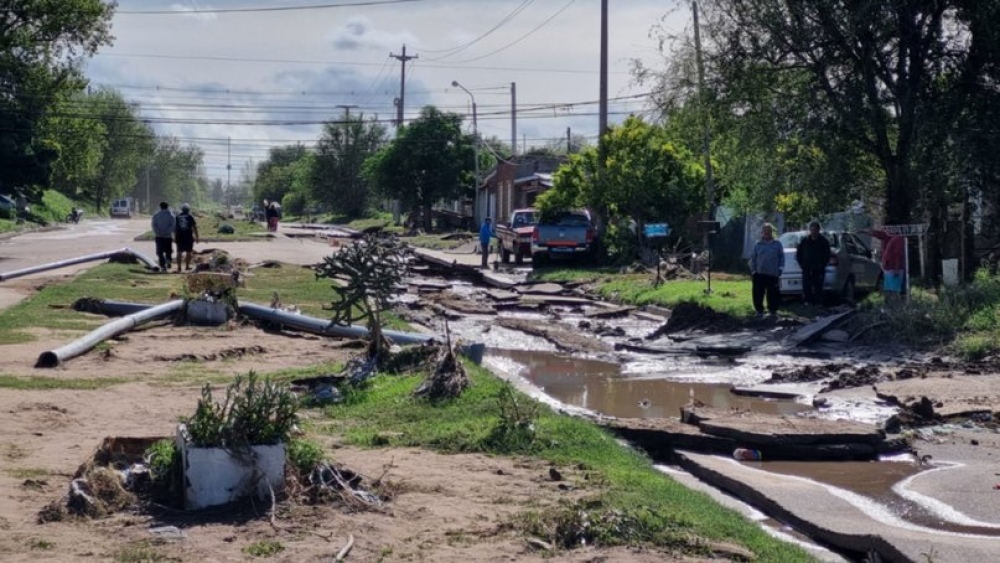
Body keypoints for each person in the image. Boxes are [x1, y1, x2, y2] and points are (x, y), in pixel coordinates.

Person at [749, 223, 784, 318]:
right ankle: (759, 311)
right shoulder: (758, 244)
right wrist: (753, 271)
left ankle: (773, 311)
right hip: (759, 273)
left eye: (769, 231)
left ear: (771, 232)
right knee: (758, 293)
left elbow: (781, 257)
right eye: (765, 231)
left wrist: (780, 268)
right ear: (762, 233)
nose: (767, 233)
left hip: (773, 273)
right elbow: (753, 259)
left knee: (773, 293)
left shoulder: (777, 244)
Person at [863, 226, 906, 301]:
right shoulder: (888, 236)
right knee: (889, 288)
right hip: (889, 267)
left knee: (894, 289)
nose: (885, 230)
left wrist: (896, 268)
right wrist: (864, 231)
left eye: (886, 229)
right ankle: (891, 303)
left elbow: (898, 255)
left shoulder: (898, 239)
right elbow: (876, 233)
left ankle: (896, 304)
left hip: (894, 268)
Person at [795, 221, 832, 307]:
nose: (813, 231)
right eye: (812, 229)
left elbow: (827, 255)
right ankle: (808, 302)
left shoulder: (823, 242)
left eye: (815, 229)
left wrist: (822, 265)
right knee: (806, 286)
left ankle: (818, 303)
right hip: (807, 268)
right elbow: (799, 254)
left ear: (818, 230)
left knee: (818, 286)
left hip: (818, 268)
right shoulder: (805, 241)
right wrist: (802, 265)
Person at [174, 203, 200, 272]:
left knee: (179, 252)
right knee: (188, 252)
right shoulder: (190, 216)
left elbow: (175, 228)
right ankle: (187, 266)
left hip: (179, 236)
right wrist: (197, 237)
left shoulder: (177, 216)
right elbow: (194, 227)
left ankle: (179, 267)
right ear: (188, 210)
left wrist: (174, 236)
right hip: (188, 236)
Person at [151, 201, 176, 271]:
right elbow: (173, 226)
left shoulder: (156, 215)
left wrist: (158, 231)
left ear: (160, 207)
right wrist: (167, 232)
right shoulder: (171, 215)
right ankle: (168, 261)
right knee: (168, 250)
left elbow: (153, 225)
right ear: (167, 207)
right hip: (168, 236)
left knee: (159, 251)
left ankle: (163, 265)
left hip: (159, 236)